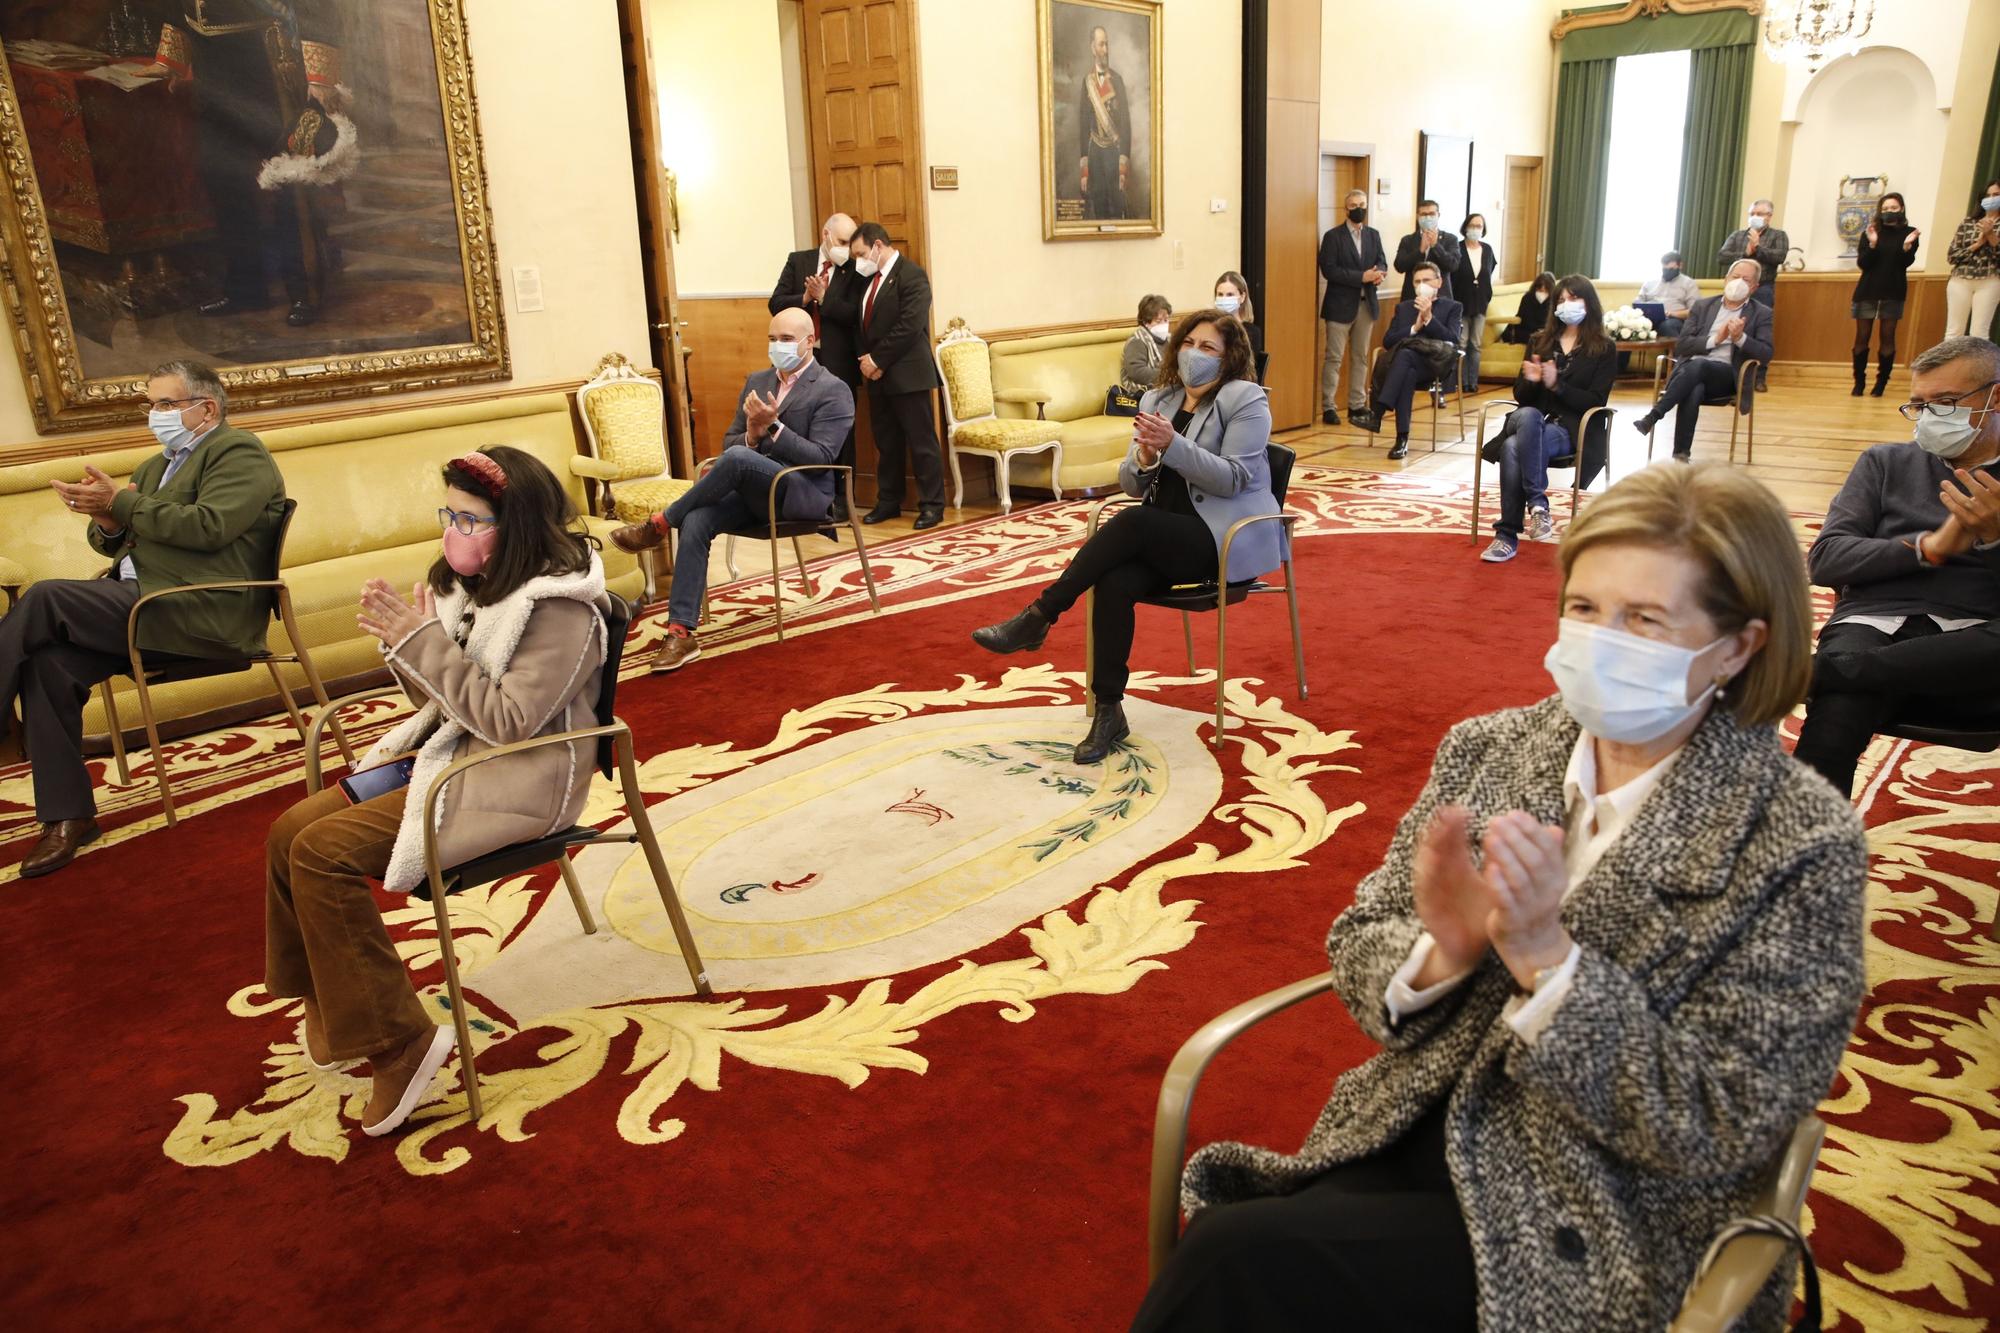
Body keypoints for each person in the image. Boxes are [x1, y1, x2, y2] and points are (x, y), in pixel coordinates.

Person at [1133, 462, 1865, 1333]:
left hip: (1603, 1204)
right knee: (1251, 1250)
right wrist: (1445, 952)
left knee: (1242, 1262)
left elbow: (1722, 1121)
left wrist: (1548, 962)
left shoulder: (1800, 840)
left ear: (1741, 644)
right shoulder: (1492, 748)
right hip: (1415, 1125)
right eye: (1585, 609)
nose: (1601, 640)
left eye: (1644, 620)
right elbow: (1363, 933)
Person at [263, 446, 610, 1138]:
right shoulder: (474, 589)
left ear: (516, 525)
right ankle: (330, 1000)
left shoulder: (561, 610)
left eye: (470, 518)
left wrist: (424, 644)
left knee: (322, 853)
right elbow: (446, 700)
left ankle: (400, 1041)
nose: (454, 528)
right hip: (454, 758)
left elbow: (511, 723)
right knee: (286, 831)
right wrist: (407, 644)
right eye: (448, 513)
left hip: (520, 779)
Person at [0, 360, 285, 877]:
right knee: (49, 664)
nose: (155, 414)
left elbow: (210, 528)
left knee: (44, 598)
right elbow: (123, 539)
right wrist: (107, 518)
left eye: (166, 404)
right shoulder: (157, 466)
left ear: (207, 408)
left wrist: (123, 501)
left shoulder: (238, 451)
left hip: (202, 610)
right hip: (144, 604)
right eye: (151, 404)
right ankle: (68, 818)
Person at [968, 310, 1280, 763]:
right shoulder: (1160, 398)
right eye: (1189, 343)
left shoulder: (1247, 400)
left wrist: (1175, 445)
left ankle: (1040, 615)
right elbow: (1132, 485)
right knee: (1114, 582)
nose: (1196, 354)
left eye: (1209, 348)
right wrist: (1149, 457)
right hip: (1163, 538)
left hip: (1219, 540)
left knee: (1133, 523)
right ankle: (1109, 710)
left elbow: (1233, 479)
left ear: (1230, 357)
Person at [1792, 335, 2000, 797]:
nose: (1929, 418)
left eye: (1945, 403)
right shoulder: (1885, 462)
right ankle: (1801, 854)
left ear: (1995, 397)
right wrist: (1927, 547)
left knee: (1844, 675)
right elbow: (1825, 560)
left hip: (1977, 641)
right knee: (1840, 707)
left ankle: (1811, 673)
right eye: (1918, 406)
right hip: (1875, 621)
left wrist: (1994, 537)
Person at [607, 309, 853, 673]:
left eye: (786, 340)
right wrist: (753, 435)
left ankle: (659, 524)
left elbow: (822, 457)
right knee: (698, 517)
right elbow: (730, 443)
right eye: (772, 339)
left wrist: (772, 429)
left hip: (800, 495)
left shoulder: (833, 389)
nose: (777, 346)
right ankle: (681, 632)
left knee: (738, 458)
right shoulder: (758, 379)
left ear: (809, 342)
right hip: (753, 493)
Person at [164, 1, 346, 327]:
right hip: (210, 61)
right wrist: (174, 59)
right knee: (223, 177)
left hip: (267, 57)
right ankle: (245, 288)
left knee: (288, 178)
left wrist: (319, 75)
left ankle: (305, 290)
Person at [1480, 276, 1616, 564]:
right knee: (1528, 415)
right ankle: (1538, 506)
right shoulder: (1539, 341)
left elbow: (1595, 401)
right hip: (1532, 418)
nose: (1568, 305)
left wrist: (1557, 386)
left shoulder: (1603, 347)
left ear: (1588, 303)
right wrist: (1531, 382)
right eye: (1562, 300)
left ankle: (1506, 535)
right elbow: (1522, 396)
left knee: (1512, 448)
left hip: (1570, 428)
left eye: (1574, 299)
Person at [844, 221, 946, 530]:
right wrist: (867, 361)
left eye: (861, 253)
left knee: (921, 441)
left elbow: (910, 326)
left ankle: (932, 505)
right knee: (886, 442)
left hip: (908, 373)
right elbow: (861, 322)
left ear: (877, 246)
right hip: (876, 375)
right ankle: (889, 500)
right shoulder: (868, 280)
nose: (857, 261)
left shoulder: (912, 275)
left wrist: (877, 358)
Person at [1630, 259, 1773, 462]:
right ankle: (1681, 454)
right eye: (1735, 277)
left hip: (1726, 376)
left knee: (1699, 365)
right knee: (1695, 387)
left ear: (1754, 287)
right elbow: (1682, 346)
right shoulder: (1703, 306)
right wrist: (1716, 339)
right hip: (1690, 373)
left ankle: (1655, 415)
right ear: (1726, 279)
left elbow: (1766, 353)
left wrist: (1740, 338)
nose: (1738, 282)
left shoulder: (1761, 313)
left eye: (1746, 279)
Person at [771, 214, 862, 517]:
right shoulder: (799, 261)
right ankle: (805, 496)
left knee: (840, 431)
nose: (846, 249)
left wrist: (825, 300)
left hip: (838, 360)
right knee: (801, 426)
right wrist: (805, 297)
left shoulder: (854, 268)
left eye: (850, 243)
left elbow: (856, 315)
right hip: (800, 358)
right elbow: (776, 303)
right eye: (841, 242)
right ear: (825, 234)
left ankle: (841, 499)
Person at [1357, 260, 1462, 460]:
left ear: (1439, 282)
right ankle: (1401, 439)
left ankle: (1377, 413)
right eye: (1417, 282)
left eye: (1426, 280)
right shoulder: (1404, 308)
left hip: (1434, 365)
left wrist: (1429, 318)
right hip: (1407, 368)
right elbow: (1388, 341)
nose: (1421, 285)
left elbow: (1453, 339)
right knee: (1406, 367)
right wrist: (1414, 328)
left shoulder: (1452, 307)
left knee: (1404, 359)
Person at [1318, 190, 1387, 427]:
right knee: (1334, 358)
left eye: (1362, 204)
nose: (1359, 208)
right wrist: (1362, 276)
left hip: (1366, 305)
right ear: (1346, 209)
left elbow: (1382, 261)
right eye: (1354, 205)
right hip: (1339, 306)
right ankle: (1328, 406)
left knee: (1361, 357)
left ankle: (1357, 404)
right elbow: (1329, 270)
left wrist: (1378, 274)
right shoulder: (1333, 236)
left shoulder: (1373, 235)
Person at [1850, 192, 1921, 398]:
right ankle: (1859, 382)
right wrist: (1872, 244)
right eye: (1886, 208)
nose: (1889, 212)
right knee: (1862, 338)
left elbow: (1904, 263)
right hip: (1867, 291)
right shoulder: (1870, 231)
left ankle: (1881, 384)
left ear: (1901, 209)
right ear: (1880, 211)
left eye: (1894, 208)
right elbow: (1863, 263)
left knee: (1887, 338)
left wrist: (1907, 247)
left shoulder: (1910, 233)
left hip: (1893, 291)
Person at [1716, 199, 1788, 390]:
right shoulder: (1738, 235)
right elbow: (1722, 256)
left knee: (1760, 330)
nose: (1756, 217)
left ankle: (1759, 377)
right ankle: (1731, 372)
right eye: (1753, 213)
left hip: (1763, 288)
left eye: (1760, 214)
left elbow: (1779, 257)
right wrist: (1745, 252)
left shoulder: (1778, 235)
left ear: (1769, 216)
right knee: (1734, 326)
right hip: (1736, 289)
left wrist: (1758, 249)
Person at [1077, 24, 1132, 220]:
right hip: (1095, 156)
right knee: (1098, 206)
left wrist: (1123, 165)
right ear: (1093, 48)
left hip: (1113, 153)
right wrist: (1084, 170)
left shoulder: (1117, 80)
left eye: (1107, 44)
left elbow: (1126, 124)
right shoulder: (1087, 83)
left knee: (1117, 207)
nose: (1105, 50)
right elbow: (1083, 126)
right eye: (1101, 45)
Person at [1943, 180, 2000, 339]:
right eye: (1988, 195)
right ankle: (1951, 364)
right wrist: (1977, 244)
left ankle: (1978, 365)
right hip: (1960, 279)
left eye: (1996, 195)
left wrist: (1991, 235)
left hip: (1990, 280)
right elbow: (1952, 256)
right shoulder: (1968, 222)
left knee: (1979, 333)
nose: (1991, 198)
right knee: (1954, 331)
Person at [1452, 213, 1496, 393]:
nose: (1476, 229)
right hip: (1462, 301)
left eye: (1479, 226)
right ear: (1466, 227)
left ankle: (1472, 381)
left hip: (1480, 302)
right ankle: (1460, 381)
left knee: (1475, 344)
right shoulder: (1458, 248)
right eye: (1473, 225)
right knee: (1462, 343)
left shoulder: (1487, 249)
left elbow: (1489, 270)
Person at [1394, 200, 1460, 303]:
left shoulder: (1450, 239)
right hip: (1412, 297)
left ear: (1438, 215)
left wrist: (1436, 246)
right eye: (1424, 214)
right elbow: (1399, 266)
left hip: (1441, 297)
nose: (1428, 218)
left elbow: (1453, 265)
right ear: (1418, 217)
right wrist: (1420, 251)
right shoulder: (1407, 240)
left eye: (1432, 214)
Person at [1636, 250, 1698, 337]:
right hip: (1648, 319)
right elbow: (1637, 303)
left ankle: (1677, 350)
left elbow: (1694, 311)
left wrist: (1672, 313)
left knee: (1667, 326)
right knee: (1625, 328)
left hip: (1674, 320)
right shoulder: (1650, 283)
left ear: (1680, 265)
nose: (1667, 272)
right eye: (1664, 269)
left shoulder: (1689, 283)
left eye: (1671, 269)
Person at [1122, 295, 1174, 393]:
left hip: (1167, 387)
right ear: (1146, 322)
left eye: (1166, 320)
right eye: (1158, 321)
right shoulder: (1137, 341)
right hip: (1143, 392)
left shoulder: (1170, 339)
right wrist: (1168, 376)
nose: (1164, 325)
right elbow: (1137, 372)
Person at [1213, 271, 1261, 358]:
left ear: (1242, 297)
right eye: (1220, 294)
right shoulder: (1210, 327)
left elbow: (1244, 365)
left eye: (1230, 294)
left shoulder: (1252, 332)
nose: (1224, 299)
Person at [1499, 272, 1555, 346]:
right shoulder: (1527, 298)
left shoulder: (1553, 301)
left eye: (1546, 291)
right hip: (1526, 330)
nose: (1542, 294)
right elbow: (1523, 318)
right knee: (1537, 338)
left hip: (1543, 332)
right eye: (1540, 290)